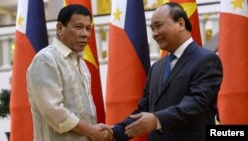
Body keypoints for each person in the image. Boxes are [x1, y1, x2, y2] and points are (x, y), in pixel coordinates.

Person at [110, 2, 223, 141]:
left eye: (158, 26)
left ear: (181, 24)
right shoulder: (156, 67)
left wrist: (157, 120)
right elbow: (143, 110)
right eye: (152, 28)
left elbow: (195, 103)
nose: (154, 34)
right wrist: (113, 132)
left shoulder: (207, 60)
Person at [27, 4, 112, 141]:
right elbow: (53, 110)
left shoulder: (81, 63)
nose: (85, 33)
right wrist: (92, 131)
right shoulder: (46, 59)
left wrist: (96, 130)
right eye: (78, 27)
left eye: (88, 28)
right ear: (60, 28)